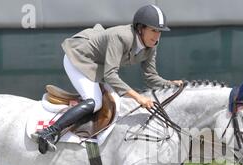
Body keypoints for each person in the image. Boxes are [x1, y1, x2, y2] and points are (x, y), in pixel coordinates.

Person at [32, 4, 182, 154]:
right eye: (153, 30)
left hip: (98, 65)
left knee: (114, 100)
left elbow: (151, 77)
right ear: (140, 28)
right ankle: (48, 133)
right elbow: (111, 75)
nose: (157, 36)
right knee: (95, 101)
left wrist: (170, 84)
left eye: (160, 32)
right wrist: (138, 98)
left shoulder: (151, 46)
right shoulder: (121, 37)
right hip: (78, 58)